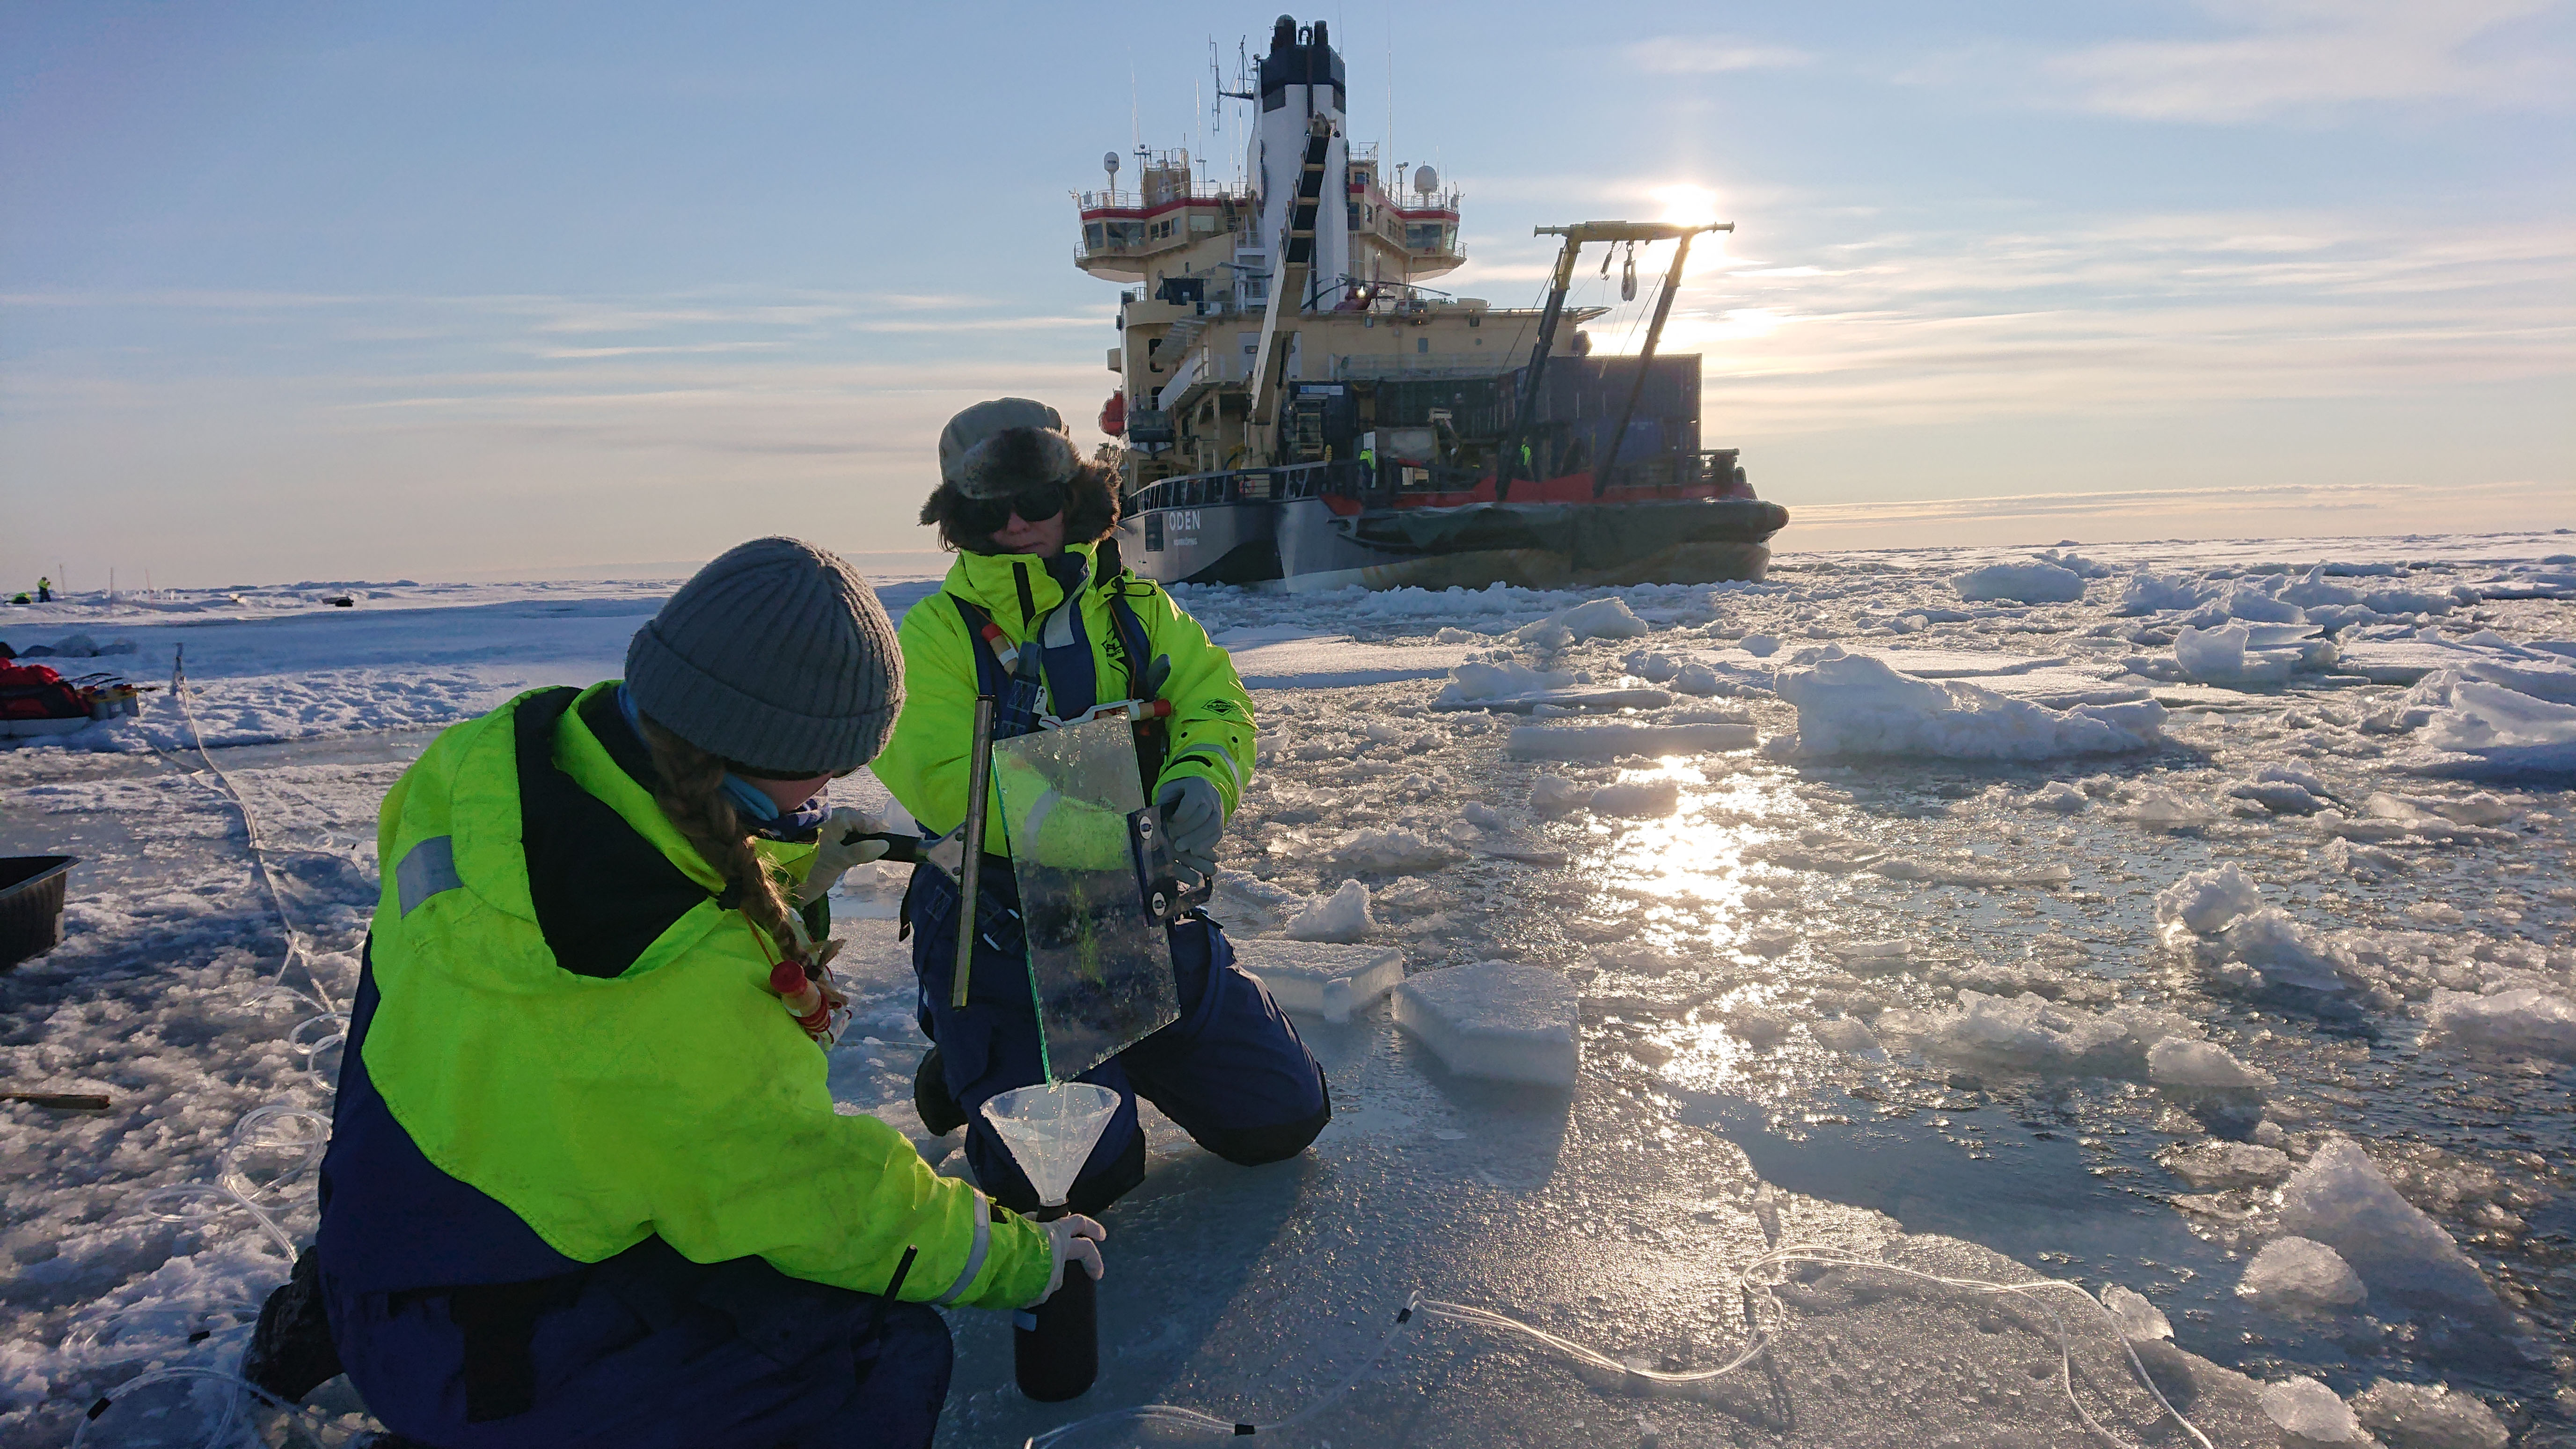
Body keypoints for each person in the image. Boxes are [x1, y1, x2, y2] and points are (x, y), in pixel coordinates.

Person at [242, 538, 1105, 1449]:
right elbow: (814, 1189)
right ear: (774, 751)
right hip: (481, 1347)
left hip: (380, 1228)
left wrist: (790, 878)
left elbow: (612, 902)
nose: (834, 784)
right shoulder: (684, 990)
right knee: (878, 1360)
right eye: (828, 763)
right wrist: (1019, 1260)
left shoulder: (488, 766)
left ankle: (333, 1317)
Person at [878, 399, 1330, 1217]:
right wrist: (1125, 838)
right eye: (989, 507)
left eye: (1036, 498)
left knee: (1283, 1118)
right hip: (1000, 927)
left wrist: (1203, 780)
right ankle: (979, 1053)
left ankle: (1115, 1051)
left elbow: (1215, 703)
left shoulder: (1138, 610)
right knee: (1076, 1183)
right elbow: (953, 783)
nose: (1016, 522)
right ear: (960, 518)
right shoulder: (934, 639)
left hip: (1137, 916)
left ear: (1073, 496)